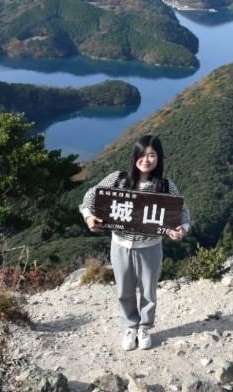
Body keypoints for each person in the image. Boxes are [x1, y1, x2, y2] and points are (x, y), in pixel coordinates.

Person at [80, 134, 191, 350]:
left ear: (159, 158)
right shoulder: (118, 179)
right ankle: (130, 326)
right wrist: (89, 217)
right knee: (124, 290)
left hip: (150, 247)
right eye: (142, 154)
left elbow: (183, 212)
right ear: (134, 156)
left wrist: (182, 230)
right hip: (120, 245)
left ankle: (145, 327)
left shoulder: (166, 186)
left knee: (149, 291)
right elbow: (90, 197)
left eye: (152, 155)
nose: (146, 160)